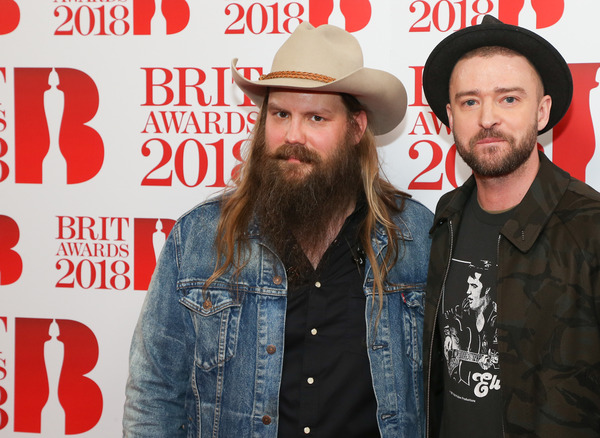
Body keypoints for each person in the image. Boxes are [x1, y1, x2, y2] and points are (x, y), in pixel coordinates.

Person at [124, 22, 432, 438]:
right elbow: (154, 395)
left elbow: (446, 395)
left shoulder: (414, 237)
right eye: (280, 114)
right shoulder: (199, 239)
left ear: (356, 129)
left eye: (316, 118)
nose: (292, 136)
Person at [422, 15, 600, 437]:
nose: (487, 118)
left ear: (542, 111)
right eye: (469, 101)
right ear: (449, 116)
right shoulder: (445, 218)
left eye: (509, 99)